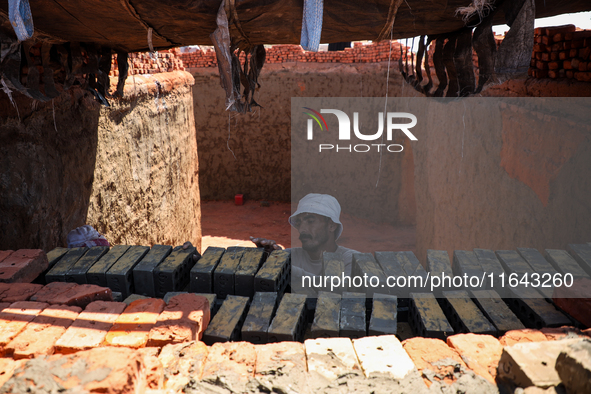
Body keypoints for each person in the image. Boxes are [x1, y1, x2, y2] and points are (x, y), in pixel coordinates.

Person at [251, 193, 358, 296]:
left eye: (310, 221)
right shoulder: (291, 256)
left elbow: (340, 290)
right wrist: (267, 258)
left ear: (331, 225)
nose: (302, 229)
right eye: (299, 223)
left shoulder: (352, 260)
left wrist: (288, 269)